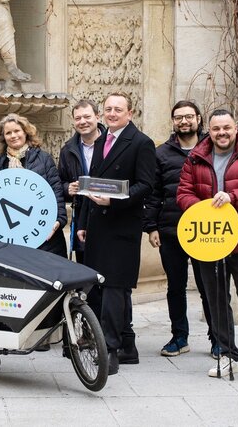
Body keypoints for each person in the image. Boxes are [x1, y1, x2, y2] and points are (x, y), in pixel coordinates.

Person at [176, 108, 238, 385]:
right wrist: (203, 208)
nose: (222, 133)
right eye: (216, 128)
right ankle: (226, 355)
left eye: (226, 128)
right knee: (216, 300)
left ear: (235, 128)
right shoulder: (196, 157)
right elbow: (183, 193)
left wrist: (233, 197)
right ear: (209, 130)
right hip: (209, 239)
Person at [75, 92, 156, 375]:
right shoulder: (101, 141)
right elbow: (92, 184)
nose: (112, 114)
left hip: (122, 226)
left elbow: (146, 185)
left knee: (114, 289)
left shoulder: (142, 143)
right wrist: (83, 222)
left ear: (130, 113)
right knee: (100, 287)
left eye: (118, 109)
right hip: (98, 226)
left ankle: (110, 350)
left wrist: (114, 201)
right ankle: (127, 346)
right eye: (108, 109)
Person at [143, 100, 215, 358]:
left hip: (207, 230)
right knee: (175, 287)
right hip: (171, 230)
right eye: (178, 117)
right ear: (173, 121)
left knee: (209, 288)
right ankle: (179, 337)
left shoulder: (212, 149)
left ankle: (218, 338)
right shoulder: (161, 153)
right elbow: (153, 193)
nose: (184, 121)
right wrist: (151, 226)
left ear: (198, 119)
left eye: (188, 116)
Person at [0, 113, 68, 258]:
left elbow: (56, 190)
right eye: (8, 133)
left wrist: (59, 219)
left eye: (17, 131)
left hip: (43, 234)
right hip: (9, 234)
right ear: (3, 137)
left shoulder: (44, 159)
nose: (13, 136)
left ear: (25, 132)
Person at [57, 99, 105, 264]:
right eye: (78, 118)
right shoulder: (67, 150)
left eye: (87, 116)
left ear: (98, 117)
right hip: (82, 220)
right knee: (85, 268)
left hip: (108, 215)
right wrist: (67, 188)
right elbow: (59, 183)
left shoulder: (112, 145)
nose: (82, 122)